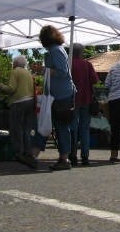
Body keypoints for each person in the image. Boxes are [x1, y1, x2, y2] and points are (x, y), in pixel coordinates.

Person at [31, 25, 76, 171]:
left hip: (61, 95)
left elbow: (63, 72)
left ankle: (62, 158)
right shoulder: (55, 50)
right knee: (48, 123)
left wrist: (43, 70)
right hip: (57, 95)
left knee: (59, 125)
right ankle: (34, 155)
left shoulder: (55, 51)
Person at [0, 55, 36, 168]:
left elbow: (11, 89)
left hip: (19, 102)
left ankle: (19, 152)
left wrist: (0, 85)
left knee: (16, 127)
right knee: (26, 130)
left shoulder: (15, 72)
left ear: (15, 63)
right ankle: (29, 154)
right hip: (30, 102)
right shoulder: (28, 73)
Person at [69, 43, 98, 167]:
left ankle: (73, 155)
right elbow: (95, 80)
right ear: (81, 52)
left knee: (73, 128)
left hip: (73, 100)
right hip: (87, 99)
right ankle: (85, 156)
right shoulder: (87, 64)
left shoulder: (69, 64)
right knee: (85, 129)